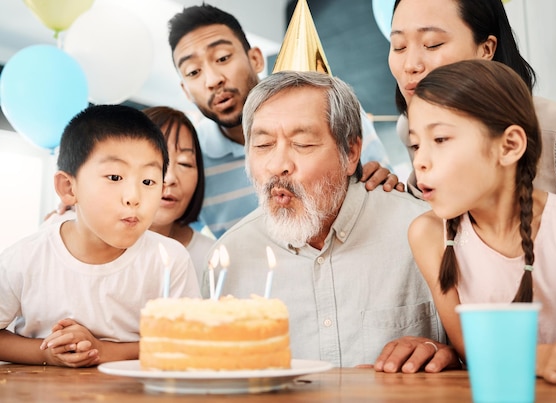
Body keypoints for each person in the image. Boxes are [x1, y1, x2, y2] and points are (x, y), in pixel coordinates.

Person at [208, 70, 460, 371]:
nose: (278, 165)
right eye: (263, 145)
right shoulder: (229, 260)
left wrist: (448, 357)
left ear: (351, 152)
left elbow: (479, 359)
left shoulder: (424, 232)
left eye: (302, 144)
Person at [407, 59, 556, 384]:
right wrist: (540, 358)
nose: (420, 162)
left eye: (440, 139)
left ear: (509, 146)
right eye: (415, 144)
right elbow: (468, 344)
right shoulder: (427, 236)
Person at [168, 4, 402, 238]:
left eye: (222, 58)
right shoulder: (191, 160)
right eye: (193, 72)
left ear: (256, 59)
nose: (213, 80)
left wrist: (384, 182)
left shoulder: (332, 109)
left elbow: (385, 188)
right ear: (185, 91)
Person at [387, 0, 556, 230]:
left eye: (432, 44)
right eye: (399, 46)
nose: (410, 65)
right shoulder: (407, 129)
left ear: (486, 49)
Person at [0, 105, 201, 367]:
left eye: (148, 182)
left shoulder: (169, 259)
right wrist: (46, 353)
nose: (133, 197)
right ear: (69, 187)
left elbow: (188, 341)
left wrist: (102, 351)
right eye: (115, 176)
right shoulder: (25, 258)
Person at [142, 106, 215, 291]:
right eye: (156, 160)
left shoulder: (211, 258)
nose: (170, 178)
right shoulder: (81, 239)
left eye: (185, 163)